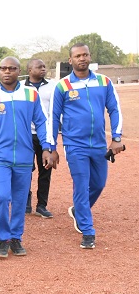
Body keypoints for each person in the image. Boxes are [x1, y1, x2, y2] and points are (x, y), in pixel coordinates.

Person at [0, 57, 55, 258]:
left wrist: (46, 147)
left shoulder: (31, 95)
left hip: (23, 157)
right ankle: (2, 239)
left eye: (12, 68)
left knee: (20, 201)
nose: (7, 72)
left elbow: (41, 122)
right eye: (3, 68)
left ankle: (16, 238)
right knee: (2, 197)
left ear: (19, 70)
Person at [52, 43, 124, 249]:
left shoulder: (104, 82)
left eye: (85, 55)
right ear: (70, 60)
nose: (82, 58)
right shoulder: (63, 86)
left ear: (89, 57)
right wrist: (51, 146)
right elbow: (53, 117)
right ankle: (87, 231)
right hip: (75, 145)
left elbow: (115, 109)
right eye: (77, 56)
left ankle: (78, 211)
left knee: (99, 184)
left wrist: (116, 137)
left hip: (99, 144)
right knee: (81, 185)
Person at [23, 58, 55, 218]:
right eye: (39, 67)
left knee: (46, 170)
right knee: (25, 169)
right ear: (29, 70)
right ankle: (25, 201)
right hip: (25, 135)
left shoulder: (52, 87)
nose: (43, 69)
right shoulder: (20, 87)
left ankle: (42, 205)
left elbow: (56, 111)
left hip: (45, 134)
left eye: (44, 66)